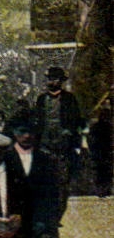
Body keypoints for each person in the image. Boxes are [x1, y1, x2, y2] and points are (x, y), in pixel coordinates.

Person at [33, 66, 84, 201]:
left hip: (63, 142)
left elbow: (76, 119)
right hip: (45, 142)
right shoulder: (41, 99)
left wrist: (70, 133)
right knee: (45, 173)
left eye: (55, 79)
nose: (52, 82)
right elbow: (37, 119)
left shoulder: (69, 98)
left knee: (62, 175)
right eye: (50, 79)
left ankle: (61, 200)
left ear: (61, 81)